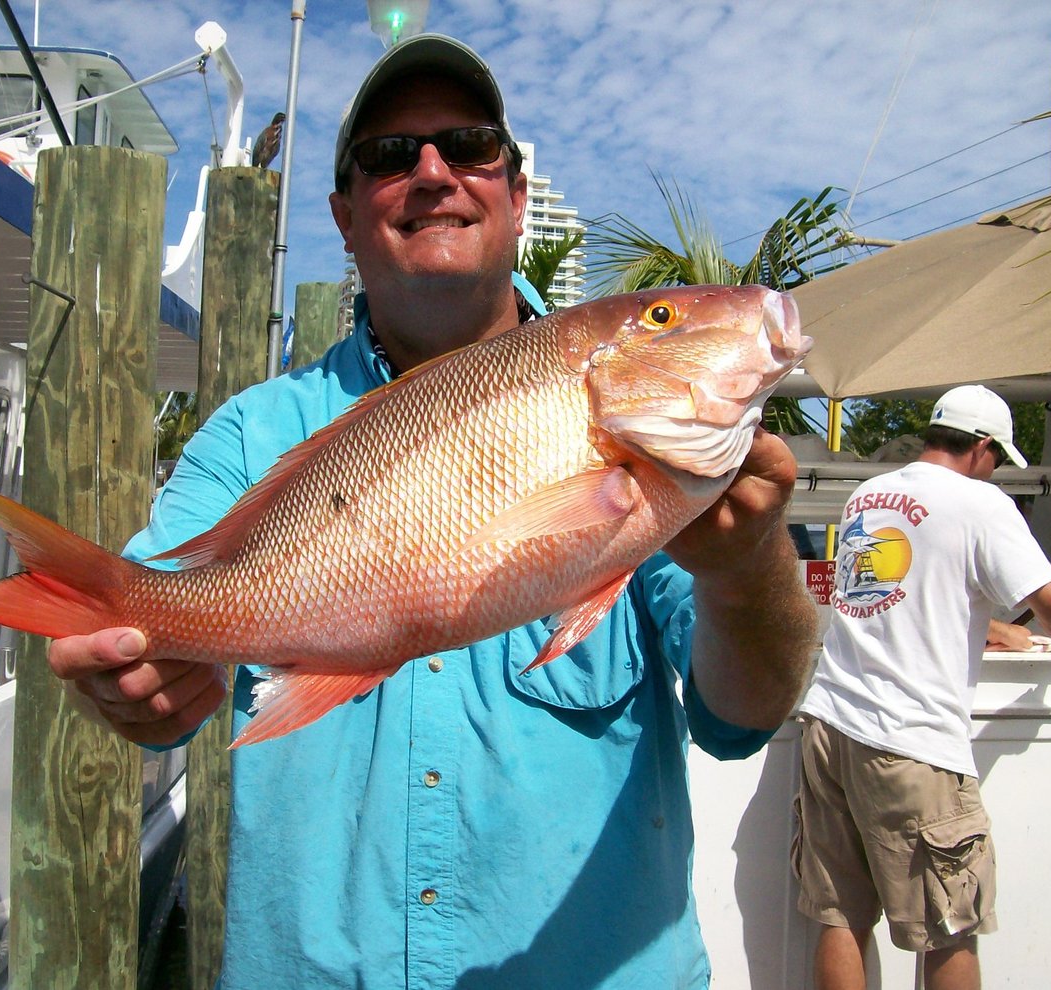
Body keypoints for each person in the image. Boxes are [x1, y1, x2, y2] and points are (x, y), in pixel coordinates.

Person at [48, 34, 817, 989]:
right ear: (342, 214)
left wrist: (746, 569)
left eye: (469, 145)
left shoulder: (664, 472)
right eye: (387, 156)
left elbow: (742, 717)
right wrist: (139, 674)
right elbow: (152, 661)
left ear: (518, 193)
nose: (432, 172)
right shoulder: (254, 435)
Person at [794, 384, 1051, 990]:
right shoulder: (979, 503)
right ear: (982, 447)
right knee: (949, 923)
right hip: (913, 744)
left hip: (829, 725)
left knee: (839, 918)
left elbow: (894, 601)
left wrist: (994, 632)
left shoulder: (868, 493)